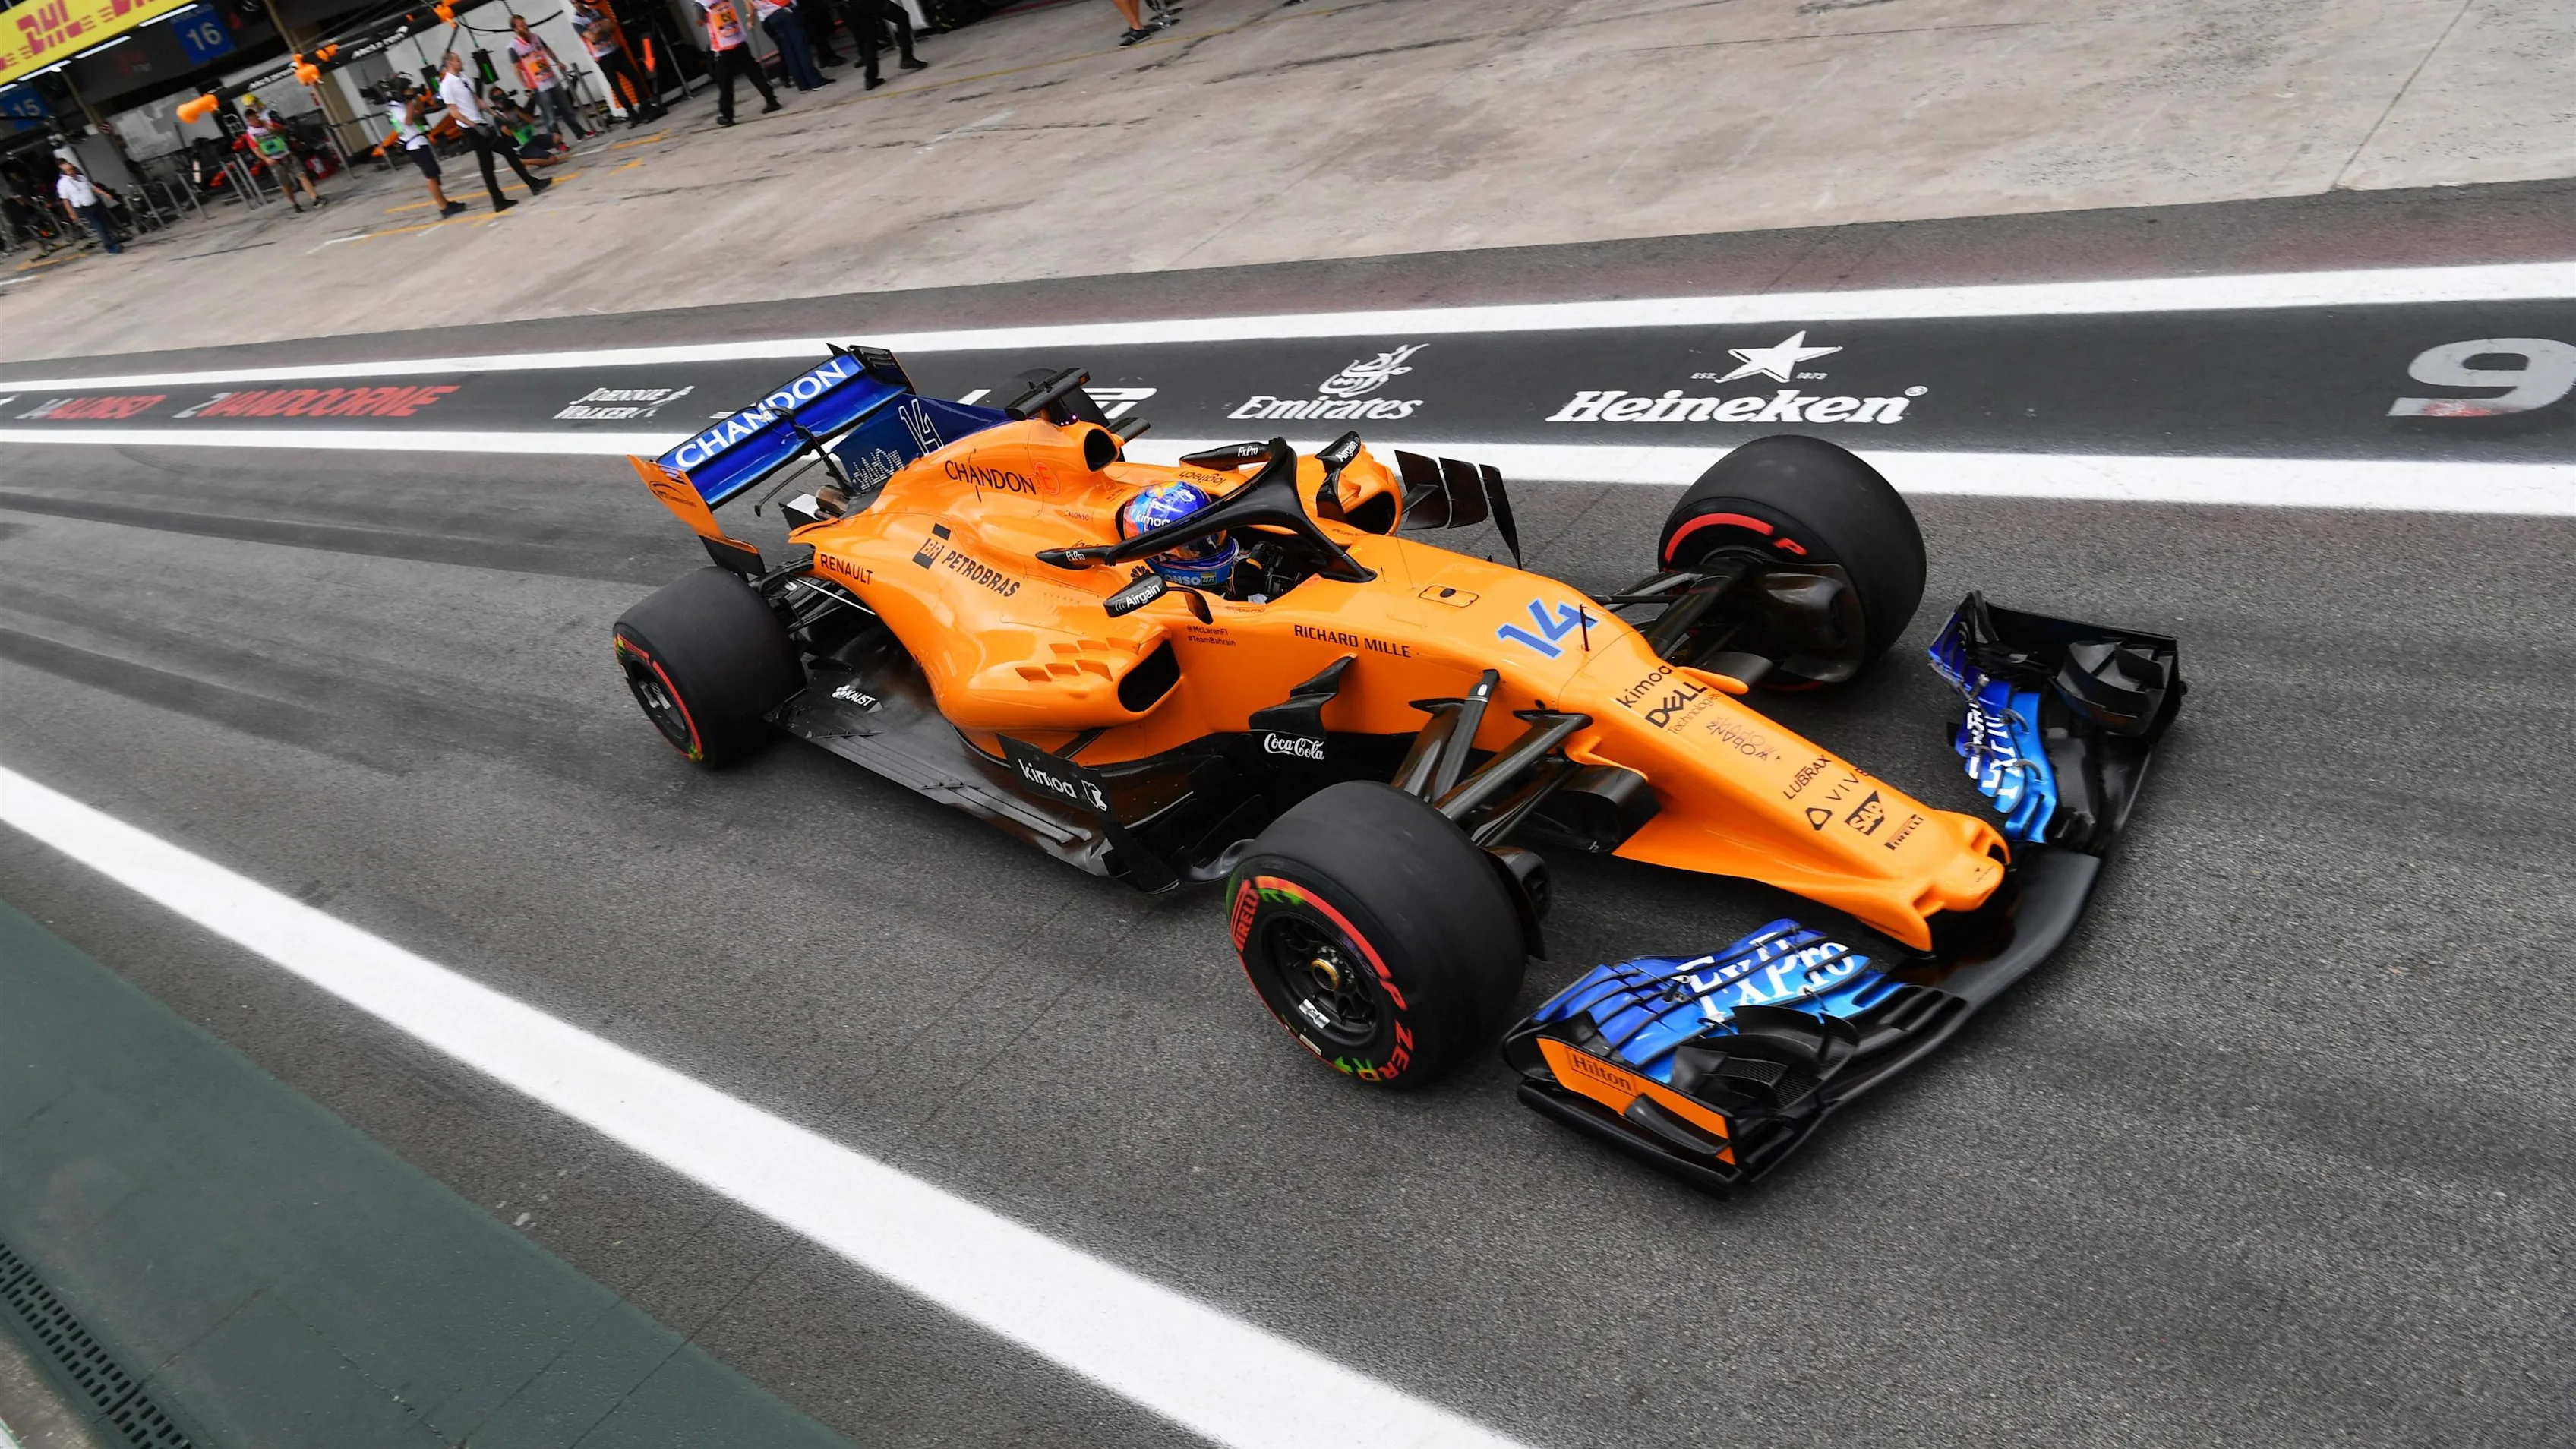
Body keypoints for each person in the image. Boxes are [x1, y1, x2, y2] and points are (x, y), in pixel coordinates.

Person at [438, 53, 551, 211]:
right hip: (472, 129)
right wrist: (474, 126)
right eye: (457, 60)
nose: (461, 62)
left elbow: (477, 101)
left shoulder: (463, 78)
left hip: (480, 123)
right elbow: (454, 113)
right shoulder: (447, 85)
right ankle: (501, 199)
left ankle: (531, 185)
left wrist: (495, 115)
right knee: (488, 165)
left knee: (508, 153)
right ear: (449, 63)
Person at [570, 0, 662, 126]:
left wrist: (599, 30)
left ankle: (644, 106)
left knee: (635, 77)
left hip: (616, 50)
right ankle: (631, 113)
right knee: (617, 87)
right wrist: (602, 28)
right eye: (574, 3)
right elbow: (593, 38)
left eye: (578, 2)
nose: (577, 5)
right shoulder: (576, 21)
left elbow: (611, 26)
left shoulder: (596, 12)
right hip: (602, 57)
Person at [386, 77, 466, 218]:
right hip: (414, 145)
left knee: (435, 174)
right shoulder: (396, 107)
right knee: (431, 176)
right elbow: (408, 121)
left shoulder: (401, 104)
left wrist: (416, 98)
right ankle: (443, 207)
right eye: (408, 89)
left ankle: (445, 202)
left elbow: (419, 112)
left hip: (419, 141)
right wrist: (409, 101)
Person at [508, 16, 595, 141]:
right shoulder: (513, 46)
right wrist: (525, 86)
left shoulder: (535, 37)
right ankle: (557, 141)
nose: (525, 27)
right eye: (521, 25)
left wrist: (558, 62)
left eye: (525, 24)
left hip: (551, 78)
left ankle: (580, 133)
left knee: (567, 108)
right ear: (515, 29)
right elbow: (516, 68)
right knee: (550, 116)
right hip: (538, 85)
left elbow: (547, 50)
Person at [697, 0, 780, 126]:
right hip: (738, 39)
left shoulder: (701, 2)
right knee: (754, 72)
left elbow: (699, 21)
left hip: (722, 46)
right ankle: (771, 100)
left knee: (725, 82)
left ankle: (727, 115)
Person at [242, 99, 327, 209]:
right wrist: (266, 159)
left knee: (302, 175)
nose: (256, 121)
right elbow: (255, 149)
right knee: (285, 183)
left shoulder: (268, 123)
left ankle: (315, 198)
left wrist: (273, 130)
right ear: (249, 121)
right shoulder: (250, 134)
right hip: (273, 159)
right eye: (252, 120)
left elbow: (283, 131)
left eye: (256, 118)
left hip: (286, 153)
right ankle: (294, 203)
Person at [841, 0, 926, 88]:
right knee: (902, 16)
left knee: (869, 36)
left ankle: (870, 77)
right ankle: (907, 57)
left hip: (853, 4)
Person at [750, 0, 828, 91]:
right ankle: (815, 81)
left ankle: (802, 84)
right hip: (783, 9)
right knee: (801, 47)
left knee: (789, 51)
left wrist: (750, 21)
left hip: (770, 16)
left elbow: (751, 7)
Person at [54, 159, 120, 254]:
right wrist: (71, 213)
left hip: (94, 203)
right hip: (83, 208)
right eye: (69, 170)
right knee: (99, 227)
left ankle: (113, 241)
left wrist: (104, 194)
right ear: (65, 172)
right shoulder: (63, 184)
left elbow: (93, 188)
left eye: (72, 169)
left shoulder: (81, 178)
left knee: (105, 224)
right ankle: (110, 246)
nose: (72, 172)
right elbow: (65, 200)